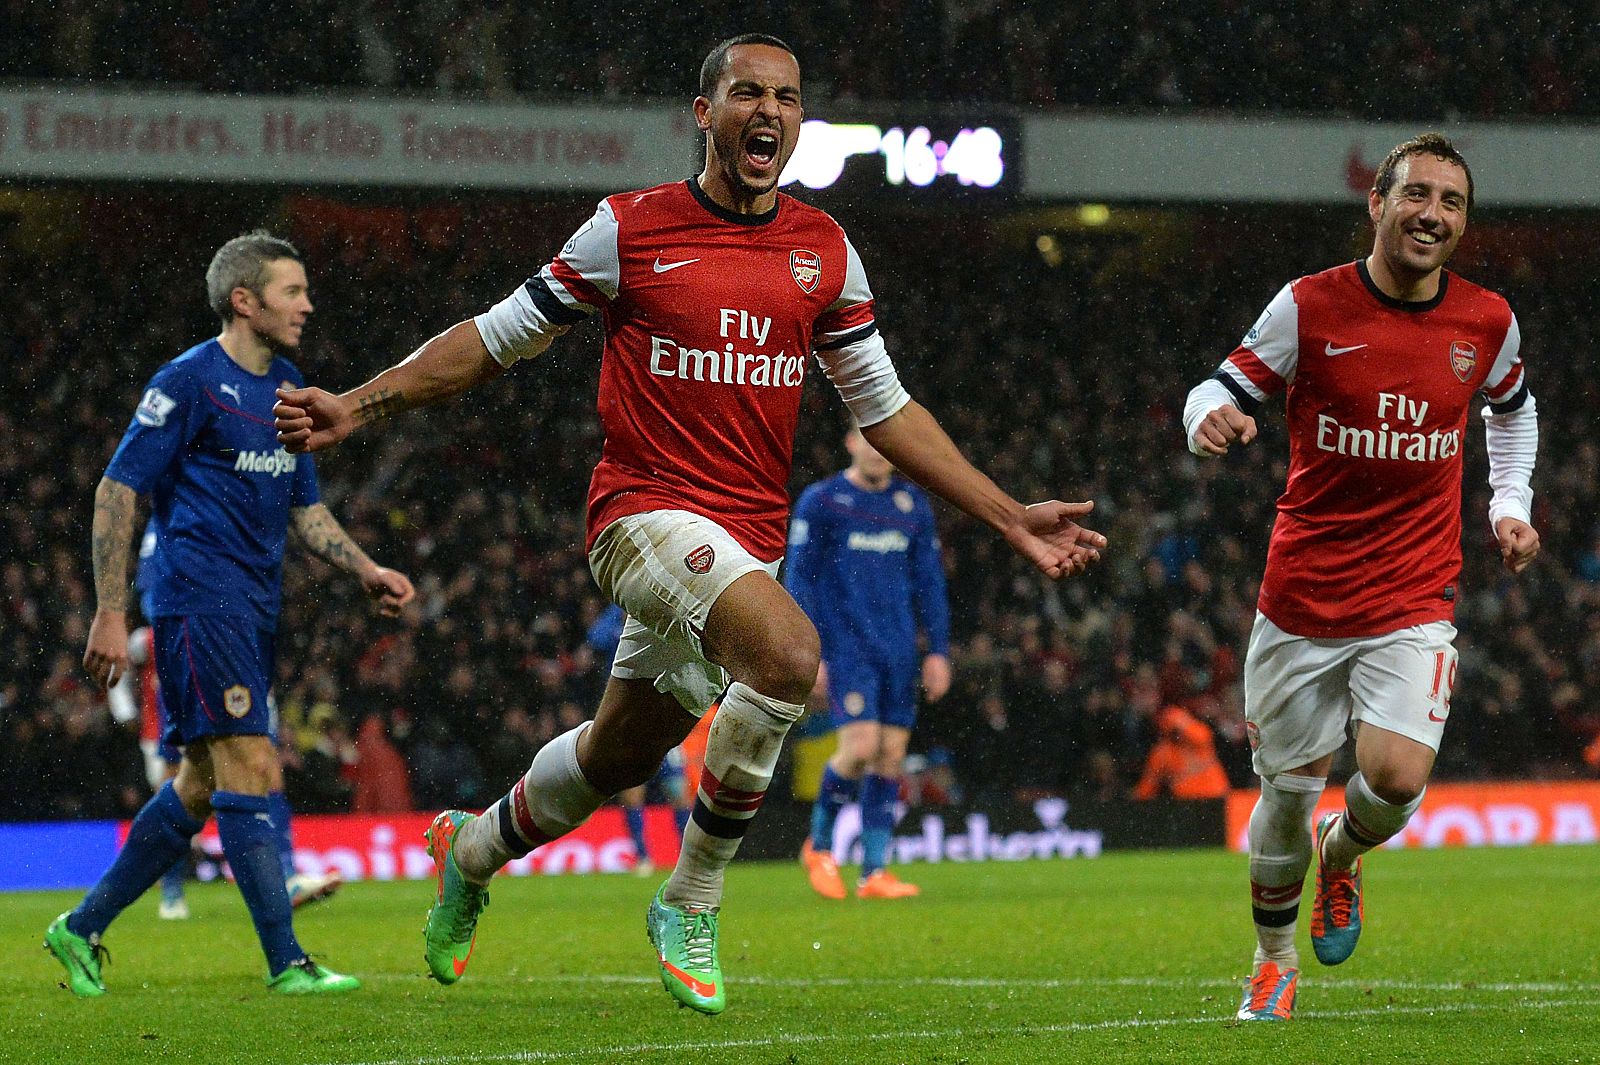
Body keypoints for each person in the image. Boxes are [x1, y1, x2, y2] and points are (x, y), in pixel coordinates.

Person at [274, 32, 1104, 1016]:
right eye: (746, 92)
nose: (769, 111)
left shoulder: (822, 251)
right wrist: (359, 406)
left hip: (743, 542)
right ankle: (691, 898)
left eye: (787, 97)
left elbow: (883, 407)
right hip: (639, 519)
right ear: (703, 113)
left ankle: (475, 846)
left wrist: (1006, 513)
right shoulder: (628, 230)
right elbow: (493, 342)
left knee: (615, 757)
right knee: (790, 659)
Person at [1182, 133, 1539, 1022]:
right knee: (1286, 795)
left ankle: (1342, 859)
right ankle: (1271, 962)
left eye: (1451, 202)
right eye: (1415, 194)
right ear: (1376, 203)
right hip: (1301, 599)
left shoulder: (1487, 321)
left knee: (1397, 779)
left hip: (1415, 594)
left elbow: (1513, 409)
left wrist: (1510, 502)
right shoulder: (1308, 306)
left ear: (1464, 221)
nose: (1432, 214)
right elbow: (1216, 386)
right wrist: (1209, 421)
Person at [50, 231, 415, 998]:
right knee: (254, 763)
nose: (308, 305)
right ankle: (287, 961)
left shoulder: (287, 386)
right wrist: (111, 612)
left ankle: (81, 926)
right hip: (195, 596)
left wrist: (365, 568)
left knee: (198, 784)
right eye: (292, 291)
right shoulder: (188, 382)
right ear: (243, 300)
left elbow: (305, 509)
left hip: (252, 604)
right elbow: (118, 490)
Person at [788, 427, 950, 900]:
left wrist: (937, 650)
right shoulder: (823, 501)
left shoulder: (911, 505)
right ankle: (819, 848)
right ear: (851, 443)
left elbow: (930, 583)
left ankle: (874, 872)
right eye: (869, 440)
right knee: (859, 749)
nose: (879, 451)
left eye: (887, 444)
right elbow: (801, 580)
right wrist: (809, 652)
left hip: (899, 649)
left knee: (890, 757)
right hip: (847, 647)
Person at [1129, 705, 1230, 801]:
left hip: (1217, 798)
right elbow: (1147, 787)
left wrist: (1180, 720)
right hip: (1188, 804)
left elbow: (1203, 736)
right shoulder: (1162, 753)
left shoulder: (1200, 741)